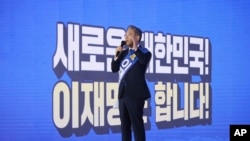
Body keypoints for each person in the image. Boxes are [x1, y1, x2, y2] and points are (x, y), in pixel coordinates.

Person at [111, 25, 152, 141]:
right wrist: (116, 54)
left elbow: (143, 61)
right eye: (125, 35)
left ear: (137, 37)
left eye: (129, 34)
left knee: (137, 126)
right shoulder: (124, 53)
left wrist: (135, 47)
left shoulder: (144, 52)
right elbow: (114, 68)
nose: (126, 37)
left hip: (136, 94)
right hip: (123, 94)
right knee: (125, 127)